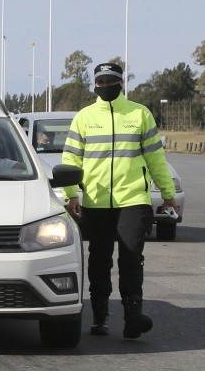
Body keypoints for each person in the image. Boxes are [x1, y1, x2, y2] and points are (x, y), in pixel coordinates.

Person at [62, 62, 179, 339]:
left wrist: (168, 194)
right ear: (95, 84)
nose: (106, 86)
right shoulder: (84, 117)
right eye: (101, 82)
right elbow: (70, 159)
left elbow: (156, 159)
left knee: (131, 257)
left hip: (133, 199)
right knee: (99, 260)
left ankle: (133, 316)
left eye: (111, 81)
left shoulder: (140, 114)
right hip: (96, 201)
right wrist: (70, 194)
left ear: (121, 83)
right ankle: (100, 317)